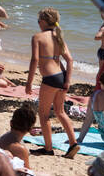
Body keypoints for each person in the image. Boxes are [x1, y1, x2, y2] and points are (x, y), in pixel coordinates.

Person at [26, 8, 75, 156]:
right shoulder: (58, 36)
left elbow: (34, 60)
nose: (38, 24)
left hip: (50, 79)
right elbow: (70, 60)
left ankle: (48, 148)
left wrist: (29, 82)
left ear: (43, 22)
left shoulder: (38, 37)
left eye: (38, 21)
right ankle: (73, 143)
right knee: (60, 112)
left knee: (43, 114)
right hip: (61, 76)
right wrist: (67, 81)